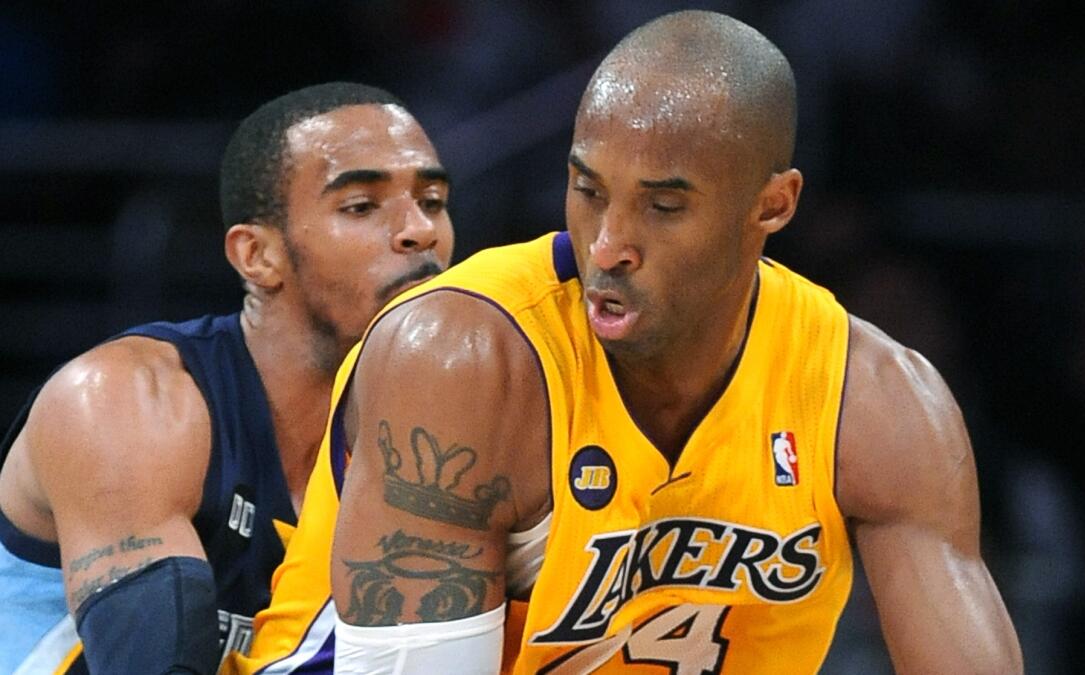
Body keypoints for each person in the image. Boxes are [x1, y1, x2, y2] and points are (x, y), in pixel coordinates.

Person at [326, 11, 1022, 675]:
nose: (608, 244)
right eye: (588, 190)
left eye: (662, 206)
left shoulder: (875, 402)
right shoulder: (461, 359)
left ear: (772, 205)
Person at [0, 81, 454, 674]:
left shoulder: (436, 436)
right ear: (256, 255)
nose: (419, 230)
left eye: (434, 200)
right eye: (361, 206)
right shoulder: (126, 402)